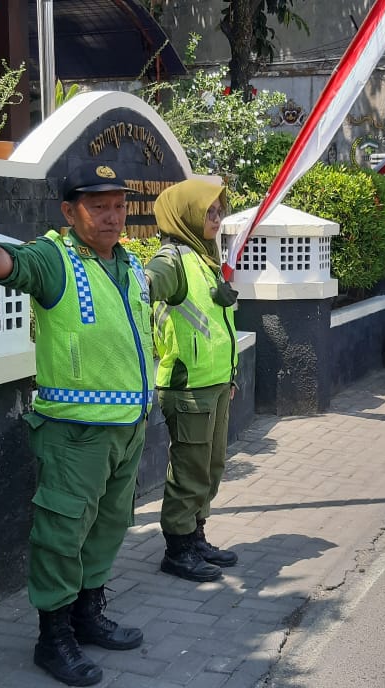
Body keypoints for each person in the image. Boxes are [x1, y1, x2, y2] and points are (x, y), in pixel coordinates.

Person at [0, 164, 151, 687]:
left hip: (127, 428)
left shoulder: (130, 264)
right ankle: (53, 638)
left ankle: (88, 616)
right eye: (98, 205)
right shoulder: (55, 258)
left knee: (107, 527)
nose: (112, 215)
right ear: (70, 212)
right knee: (61, 534)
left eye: (118, 204)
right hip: (75, 434)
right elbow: (7, 262)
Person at [143, 180, 240, 584]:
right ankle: (178, 549)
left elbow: (217, 323)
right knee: (189, 469)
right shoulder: (172, 259)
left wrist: (229, 375)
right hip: (187, 387)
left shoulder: (204, 258)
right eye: (209, 212)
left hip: (215, 382)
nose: (217, 219)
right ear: (186, 215)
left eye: (220, 211)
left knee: (211, 466)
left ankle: (196, 535)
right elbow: (145, 284)